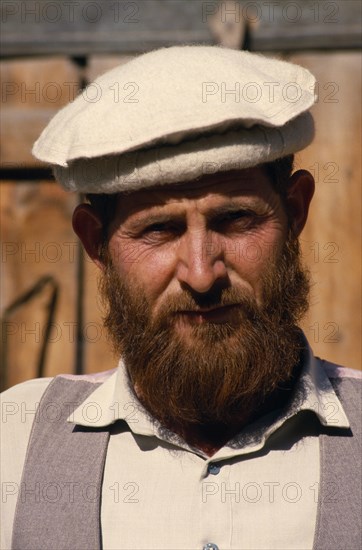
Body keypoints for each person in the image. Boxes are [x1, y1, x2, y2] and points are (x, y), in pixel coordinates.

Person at [1, 46, 361, 550]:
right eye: (160, 229)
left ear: (296, 212)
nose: (201, 274)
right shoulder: (13, 442)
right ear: (95, 243)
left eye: (236, 220)